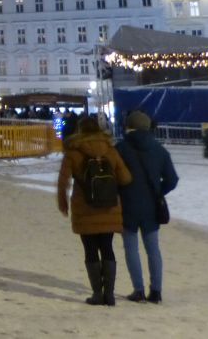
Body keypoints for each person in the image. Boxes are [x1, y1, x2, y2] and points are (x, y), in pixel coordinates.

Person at [57, 115, 133, 305]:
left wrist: (62, 202)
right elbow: (126, 178)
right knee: (107, 248)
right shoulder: (110, 150)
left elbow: (63, 181)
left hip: (84, 207)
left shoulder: (73, 152)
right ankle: (110, 294)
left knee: (90, 250)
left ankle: (97, 294)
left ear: (80, 130)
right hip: (109, 207)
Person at [115, 109, 179, 304]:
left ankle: (139, 290)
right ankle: (156, 291)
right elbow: (172, 179)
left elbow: (114, 176)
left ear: (130, 126)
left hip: (127, 204)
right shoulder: (159, 149)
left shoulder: (121, 148)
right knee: (153, 249)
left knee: (131, 248)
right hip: (151, 206)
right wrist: (159, 192)